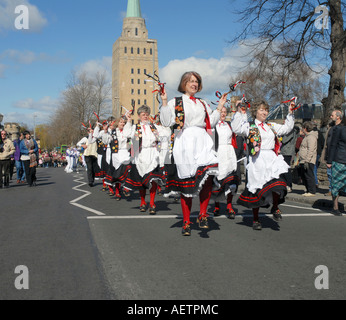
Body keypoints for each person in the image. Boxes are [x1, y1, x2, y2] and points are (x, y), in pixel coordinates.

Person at [160, 71, 227, 235]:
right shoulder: (176, 101)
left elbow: (210, 122)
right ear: (183, 84)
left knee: (208, 175)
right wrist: (163, 102)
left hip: (203, 141)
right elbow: (167, 122)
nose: (194, 84)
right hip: (185, 143)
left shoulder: (203, 103)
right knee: (187, 186)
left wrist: (219, 107)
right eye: (190, 81)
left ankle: (203, 214)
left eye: (196, 81)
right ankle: (186, 221)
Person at [231, 100, 295, 230]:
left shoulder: (271, 126)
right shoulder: (250, 126)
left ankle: (275, 207)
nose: (264, 112)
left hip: (271, 158)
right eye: (261, 110)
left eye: (266, 110)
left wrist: (290, 113)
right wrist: (239, 111)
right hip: (257, 161)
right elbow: (236, 128)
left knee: (278, 183)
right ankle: (255, 219)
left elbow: (287, 128)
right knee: (257, 189)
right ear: (255, 112)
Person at [123, 105, 165, 214]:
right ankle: (142, 202)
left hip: (153, 154)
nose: (145, 116)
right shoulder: (135, 127)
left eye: (147, 114)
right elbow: (126, 134)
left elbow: (165, 134)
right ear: (139, 116)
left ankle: (152, 203)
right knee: (142, 181)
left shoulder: (154, 127)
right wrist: (128, 121)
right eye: (143, 114)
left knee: (153, 180)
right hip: (140, 155)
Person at [212, 106, 239, 219]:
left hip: (229, 153)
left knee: (231, 180)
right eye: (221, 112)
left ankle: (229, 206)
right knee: (218, 180)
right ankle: (217, 205)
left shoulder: (229, 125)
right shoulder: (213, 125)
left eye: (224, 112)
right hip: (219, 152)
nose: (223, 114)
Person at [103, 116, 132, 200]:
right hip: (115, 154)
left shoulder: (126, 131)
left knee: (128, 168)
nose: (122, 124)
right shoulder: (113, 132)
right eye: (121, 122)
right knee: (117, 173)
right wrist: (105, 131)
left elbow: (130, 136)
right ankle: (117, 192)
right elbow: (105, 141)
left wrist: (129, 122)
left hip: (125, 153)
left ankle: (126, 188)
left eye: (124, 122)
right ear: (117, 123)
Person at [326, 113, 346, 215]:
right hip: (339, 160)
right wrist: (329, 161)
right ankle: (335, 207)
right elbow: (333, 145)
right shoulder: (339, 129)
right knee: (336, 185)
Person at [320, 109, 343, 196]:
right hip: (329, 153)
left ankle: (335, 190)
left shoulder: (341, 128)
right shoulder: (331, 127)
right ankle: (331, 190)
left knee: (337, 175)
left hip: (338, 154)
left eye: (332, 115)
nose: (330, 117)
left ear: (338, 117)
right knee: (330, 174)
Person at [298, 121, 318, 196]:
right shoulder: (307, 137)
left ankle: (311, 191)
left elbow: (311, 150)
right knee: (305, 176)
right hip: (303, 160)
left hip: (308, 160)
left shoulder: (311, 137)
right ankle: (308, 190)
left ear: (305, 128)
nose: (302, 130)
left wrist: (307, 160)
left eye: (303, 128)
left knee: (309, 176)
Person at [279, 125, 298, 192]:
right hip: (284, 151)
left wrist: (280, 136)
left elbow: (284, 140)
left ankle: (289, 185)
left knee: (286, 168)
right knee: (282, 169)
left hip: (287, 152)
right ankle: (283, 184)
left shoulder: (290, 131)